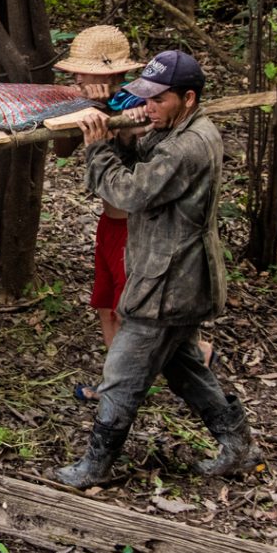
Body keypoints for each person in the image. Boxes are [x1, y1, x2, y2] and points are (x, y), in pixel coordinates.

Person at [54, 51, 265, 489]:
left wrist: (97, 148)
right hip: (174, 276)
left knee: (121, 373)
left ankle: (96, 465)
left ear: (188, 98)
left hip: (171, 283)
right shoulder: (179, 128)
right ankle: (239, 445)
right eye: (145, 98)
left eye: (157, 100)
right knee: (184, 367)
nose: (147, 107)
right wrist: (120, 136)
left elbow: (130, 192)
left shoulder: (188, 146)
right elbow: (141, 155)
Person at [53, 27, 212, 403]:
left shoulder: (142, 103)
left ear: (108, 72)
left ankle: (141, 381)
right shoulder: (86, 101)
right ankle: (116, 383)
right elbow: (61, 149)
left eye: (83, 71)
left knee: (133, 312)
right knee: (107, 307)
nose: (76, 77)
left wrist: (116, 118)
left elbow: (138, 174)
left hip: (136, 230)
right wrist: (82, 108)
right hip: (110, 223)